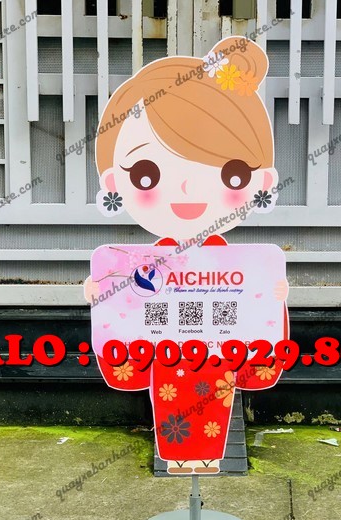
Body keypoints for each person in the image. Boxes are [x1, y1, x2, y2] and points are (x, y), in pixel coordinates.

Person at [85, 36, 289, 475]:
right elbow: (123, 322)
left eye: (231, 173)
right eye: (146, 174)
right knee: (171, 400)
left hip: (217, 355)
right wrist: (103, 294)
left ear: (262, 181)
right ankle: (180, 458)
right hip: (166, 357)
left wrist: (274, 297)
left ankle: (205, 458)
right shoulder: (141, 262)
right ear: (114, 182)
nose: (187, 189)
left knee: (216, 393)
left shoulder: (240, 266)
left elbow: (262, 330)